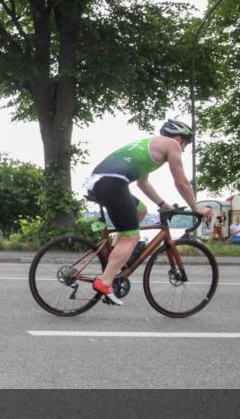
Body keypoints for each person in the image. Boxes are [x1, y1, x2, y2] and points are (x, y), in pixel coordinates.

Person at [85, 119, 214, 305]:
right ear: (179, 138)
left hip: (99, 182)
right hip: (113, 183)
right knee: (132, 237)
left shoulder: (150, 145)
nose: (183, 149)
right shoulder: (172, 144)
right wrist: (196, 207)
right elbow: (182, 182)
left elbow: (143, 183)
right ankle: (105, 282)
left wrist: (163, 204)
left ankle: (114, 255)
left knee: (141, 211)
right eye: (185, 144)